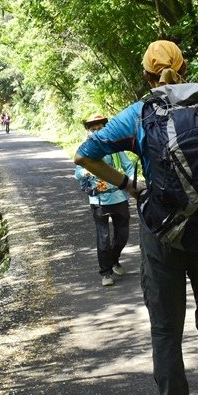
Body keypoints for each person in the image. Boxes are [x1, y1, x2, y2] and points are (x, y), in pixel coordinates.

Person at [74, 40, 198, 395]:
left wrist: (131, 188)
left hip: (162, 230)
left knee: (166, 328)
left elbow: (85, 155)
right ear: (184, 68)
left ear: (147, 75)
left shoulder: (139, 115)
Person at [73, 113, 135, 287]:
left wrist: (131, 183)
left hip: (119, 196)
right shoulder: (84, 149)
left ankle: (114, 260)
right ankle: (106, 273)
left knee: (123, 235)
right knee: (103, 237)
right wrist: (85, 172)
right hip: (98, 199)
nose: (96, 132)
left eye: (100, 129)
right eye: (93, 129)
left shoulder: (115, 147)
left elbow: (128, 166)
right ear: (88, 131)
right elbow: (77, 173)